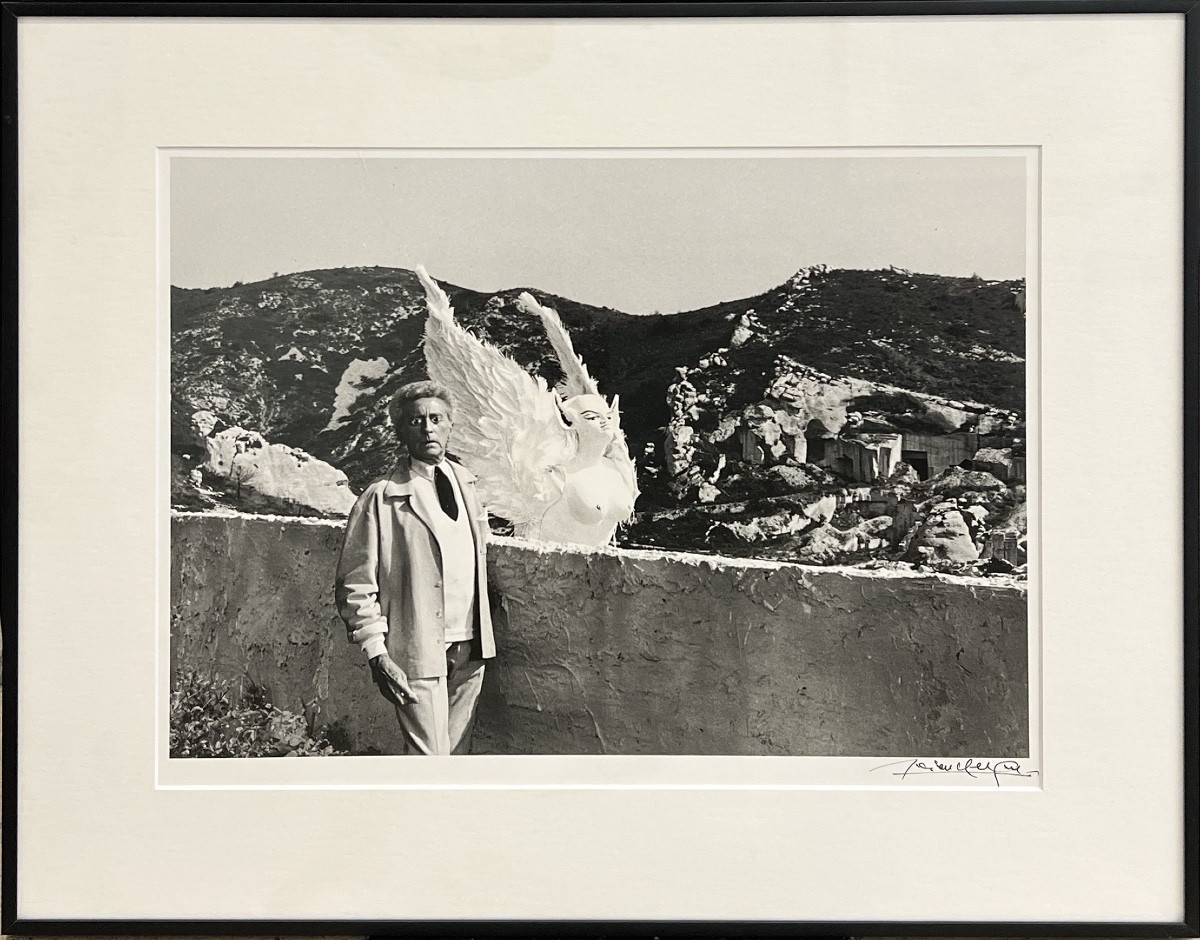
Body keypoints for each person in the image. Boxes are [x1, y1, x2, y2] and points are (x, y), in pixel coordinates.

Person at [334, 381, 496, 755]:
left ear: (450, 425)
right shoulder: (380, 497)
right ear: (400, 431)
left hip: (470, 646)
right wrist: (377, 653)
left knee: (457, 757)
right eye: (415, 421)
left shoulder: (467, 484)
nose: (427, 428)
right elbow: (355, 585)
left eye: (436, 418)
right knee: (428, 759)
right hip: (417, 647)